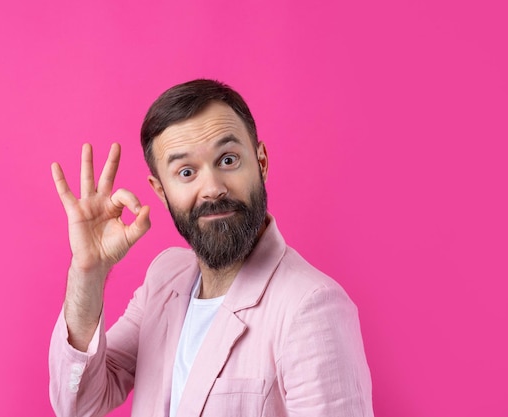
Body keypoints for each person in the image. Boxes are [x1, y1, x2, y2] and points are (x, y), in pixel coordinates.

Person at [48, 79, 374, 417]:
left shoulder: (311, 306)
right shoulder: (164, 278)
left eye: (228, 160)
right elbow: (79, 403)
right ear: (161, 192)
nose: (213, 188)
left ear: (260, 162)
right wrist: (87, 272)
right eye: (186, 172)